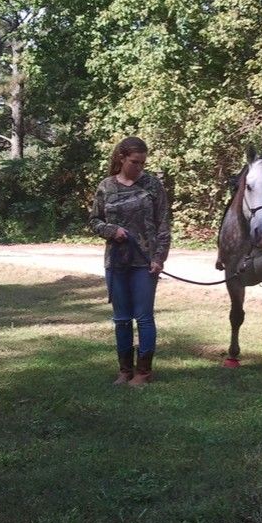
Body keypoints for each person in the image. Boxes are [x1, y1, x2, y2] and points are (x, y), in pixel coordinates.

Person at [89, 136, 171, 386]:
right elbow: (94, 221)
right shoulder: (106, 186)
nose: (140, 168)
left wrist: (159, 258)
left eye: (143, 163)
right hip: (116, 262)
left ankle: (143, 372)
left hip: (145, 263)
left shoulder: (152, 186)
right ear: (121, 158)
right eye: (135, 162)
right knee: (122, 319)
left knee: (144, 317)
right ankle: (124, 370)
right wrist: (111, 231)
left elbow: (164, 226)